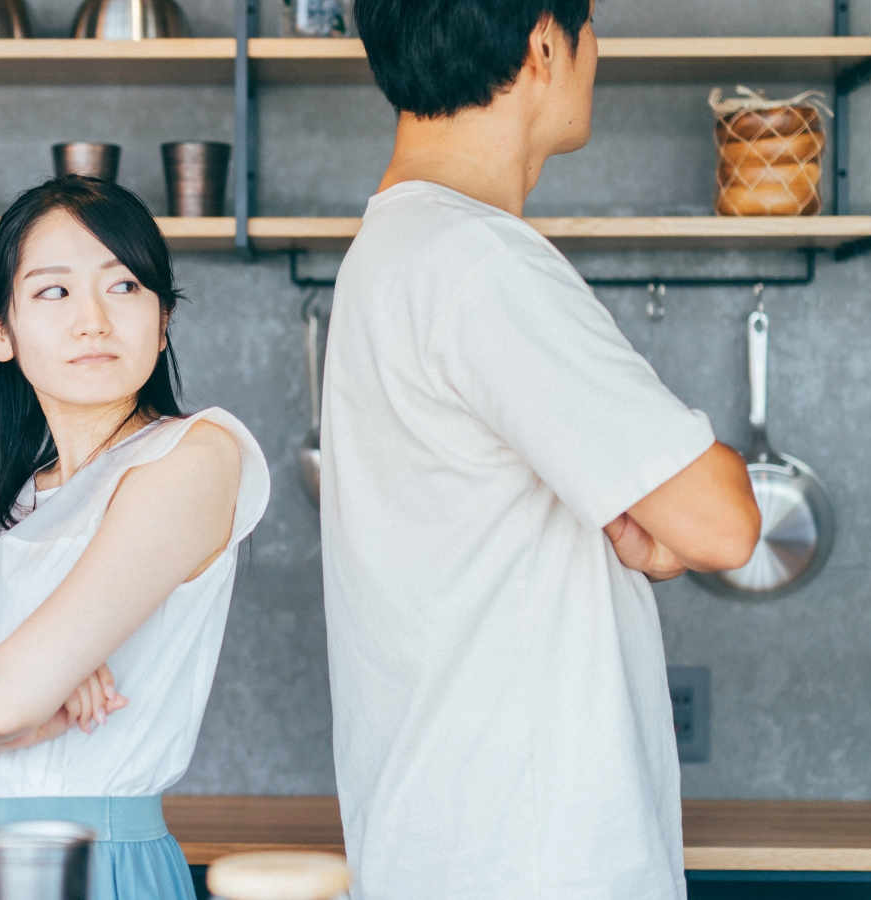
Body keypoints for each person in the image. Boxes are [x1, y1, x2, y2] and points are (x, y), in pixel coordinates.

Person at [320, 2, 762, 898]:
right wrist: (669, 527)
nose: (598, 55)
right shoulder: (480, 263)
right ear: (544, 45)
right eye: (592, 29)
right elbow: (726, 524)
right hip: (529, 863)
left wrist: (658, 528)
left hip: (453, 849)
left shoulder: (398, 249)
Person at [0, 175, 270, 900]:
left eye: (124, 288)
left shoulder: (193, 457)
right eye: (54, 292)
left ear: (164, 317)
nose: (93, 321)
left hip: (104, 866)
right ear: (0, 329)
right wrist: (22, 713)